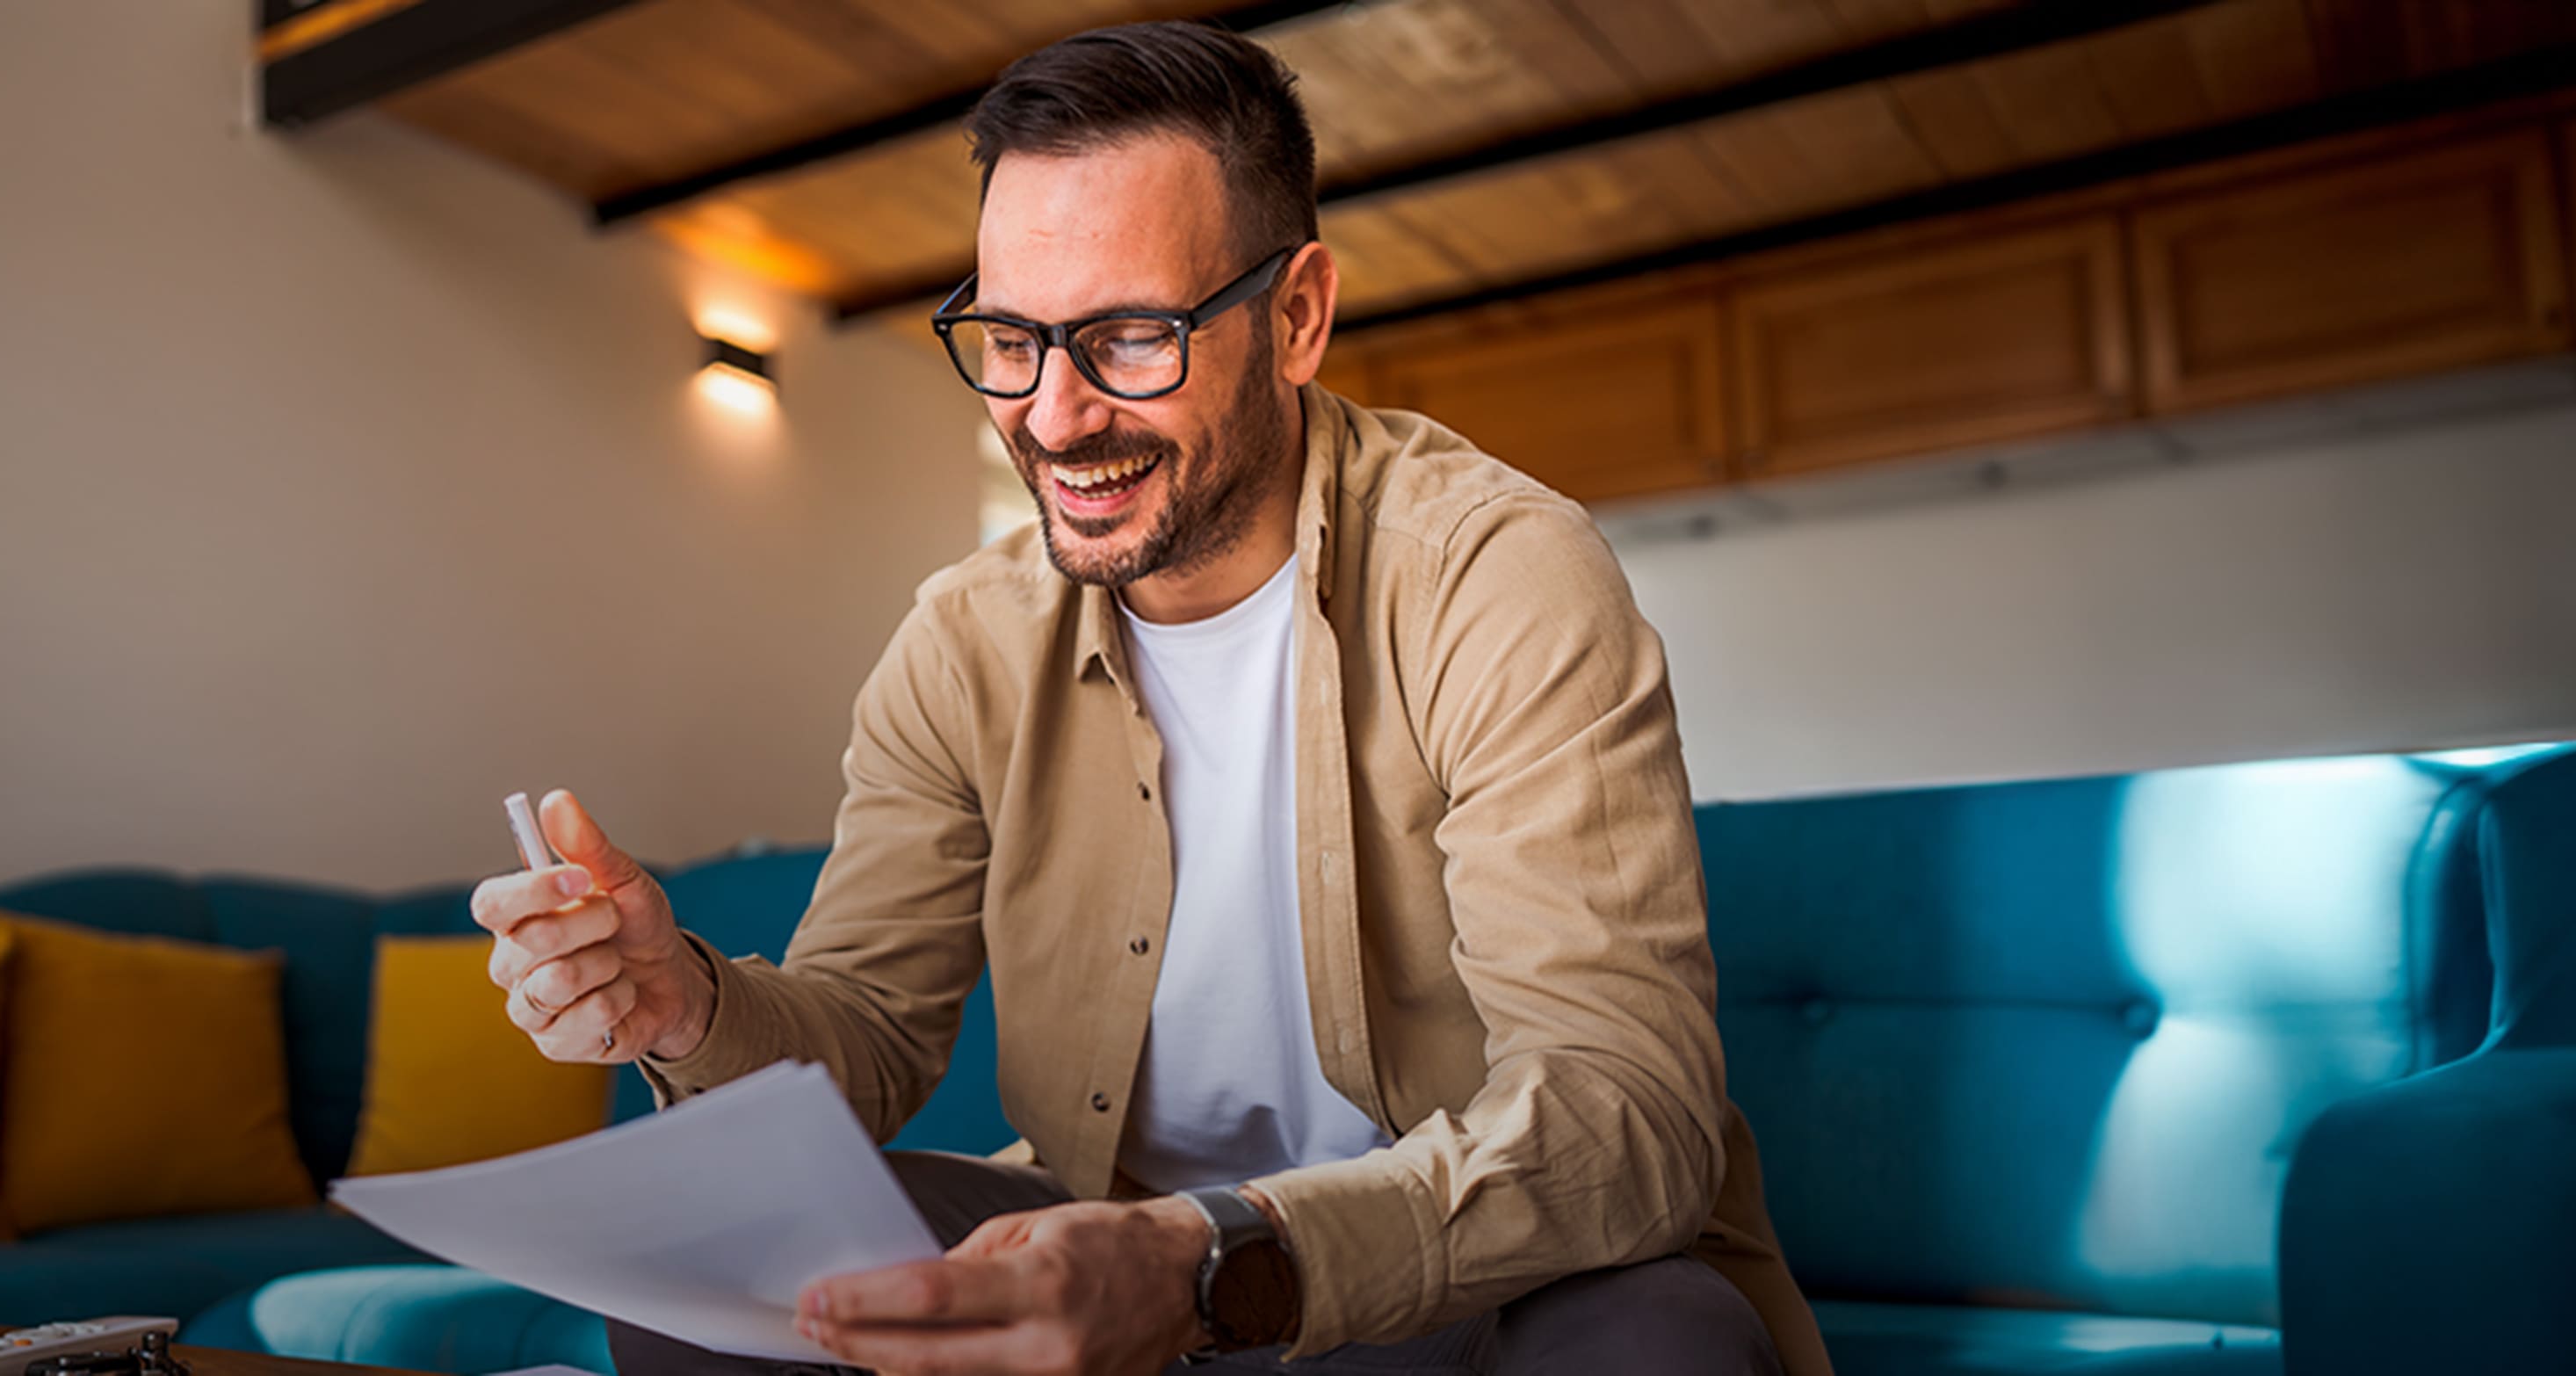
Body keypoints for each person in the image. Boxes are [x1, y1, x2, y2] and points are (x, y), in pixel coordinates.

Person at [466, 19, 1825, 1376]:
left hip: (1428, 1288)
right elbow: (869, 1034)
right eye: (1011, 336)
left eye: (1128, 335)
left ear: (1295, 317)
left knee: (1663, 1342)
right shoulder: (962, 642)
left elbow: (1624, 1109)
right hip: (1093, 1252)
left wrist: (1207, 1263)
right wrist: (683, 1008)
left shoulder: (1499, 575)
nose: (1053, 417)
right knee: (708, 1253)